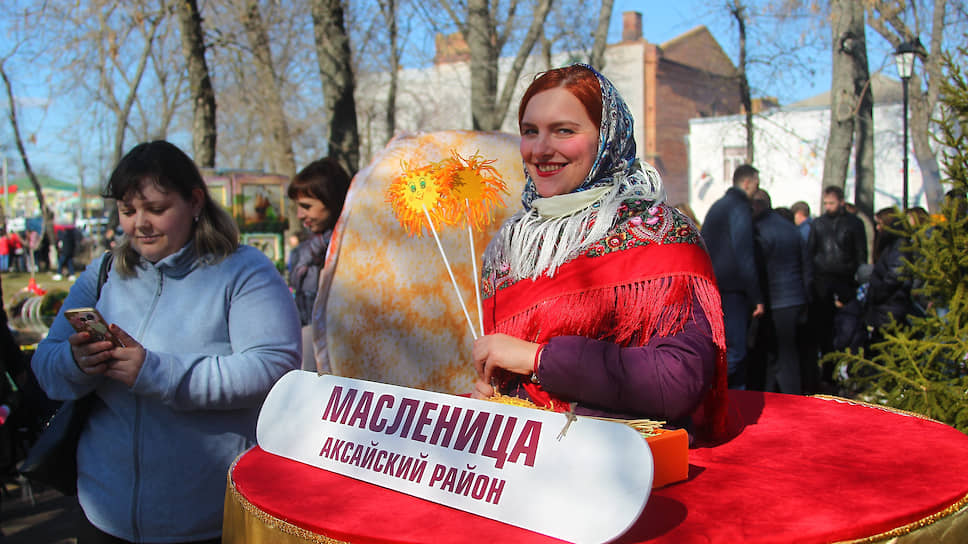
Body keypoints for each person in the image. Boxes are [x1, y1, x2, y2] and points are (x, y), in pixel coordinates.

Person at [31, 140, 301, 544]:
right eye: (127, 211)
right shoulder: (104, 270)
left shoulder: (244, 271)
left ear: (194, 202)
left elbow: (273, 368)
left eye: (156, 209)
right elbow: (46, 364)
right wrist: (77, 362)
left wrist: (157, 372)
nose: (140, 223)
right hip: (103, 511)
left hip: (205, 515)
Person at [470, 64, 727, 442]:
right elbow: (509, 374)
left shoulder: (659, 232)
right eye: (530, 131)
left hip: (628, 474)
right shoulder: (509, 249)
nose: (541, 149)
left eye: (564, 131)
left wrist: (540, 359)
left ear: (606, 136)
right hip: (530, 473)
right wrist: (498, 397)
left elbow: (678, 378)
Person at [701, 164, 765, 389]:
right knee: (736, 350)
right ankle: (717, 397)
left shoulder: (719, 206)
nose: (758, 189)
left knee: (721, 348)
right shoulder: (739, 208)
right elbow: (744, 253)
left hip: (712, 286)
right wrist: (756, 296)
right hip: (733, 290)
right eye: (756, 184)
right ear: (746, 182)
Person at [286, 157, 351, 371]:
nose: (300, 215)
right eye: (298, 206)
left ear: (331, 201)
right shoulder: (302, 253)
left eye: (307, 206)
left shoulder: (353, 249)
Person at [806, 185, 868, 386]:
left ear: (841, 202)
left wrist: (854, 282)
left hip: (845, 282)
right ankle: (827, 373)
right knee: (824, 332)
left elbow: (860, 254)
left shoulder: (853, 224)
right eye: (825, 203)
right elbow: (811, 252)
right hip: (822, 282)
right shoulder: (819, 224)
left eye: (831, 203)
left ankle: (850, 372)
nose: (828, 207)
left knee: (848, 330)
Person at [751, 190, 808, 394]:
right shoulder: (790, 228)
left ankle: (775, 397)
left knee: (769, 355)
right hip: (794, 298)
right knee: (789, 355)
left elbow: (757, 269)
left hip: (774, 299)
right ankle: (793, 396)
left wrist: (756, 299)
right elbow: (805, 265)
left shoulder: (759, 230)